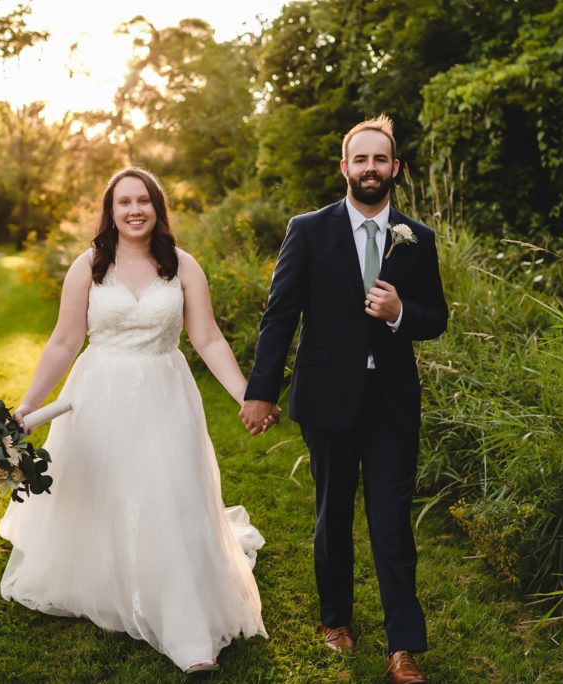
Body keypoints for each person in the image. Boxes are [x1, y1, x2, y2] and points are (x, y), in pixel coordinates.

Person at [0, 167, 270, 674]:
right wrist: (29, 406)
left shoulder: (182, 265)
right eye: (124, 202)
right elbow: (64, 341)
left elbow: (207, 338)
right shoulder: (89, 265)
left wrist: (244, 394)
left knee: (168, 493)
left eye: (143, 200)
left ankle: (190, 634)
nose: (134, 210)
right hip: (99, 393)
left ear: (157, 207)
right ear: (111, 210)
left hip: (166, 393)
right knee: (106, 491)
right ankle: (112, 577)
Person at [239, 115, 448, 684]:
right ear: (345, 168)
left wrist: (400, 312)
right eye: (362, 160)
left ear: (395, 169)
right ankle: (336, 620)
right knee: (333, 516)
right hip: (328, 399)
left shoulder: (417, 238)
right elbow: (280, 315)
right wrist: (261, 391)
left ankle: (403, 646)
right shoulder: (308, 229)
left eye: (381, 160)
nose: (371, 169)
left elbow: (436, 318)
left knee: (391, 523)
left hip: (393, 406)